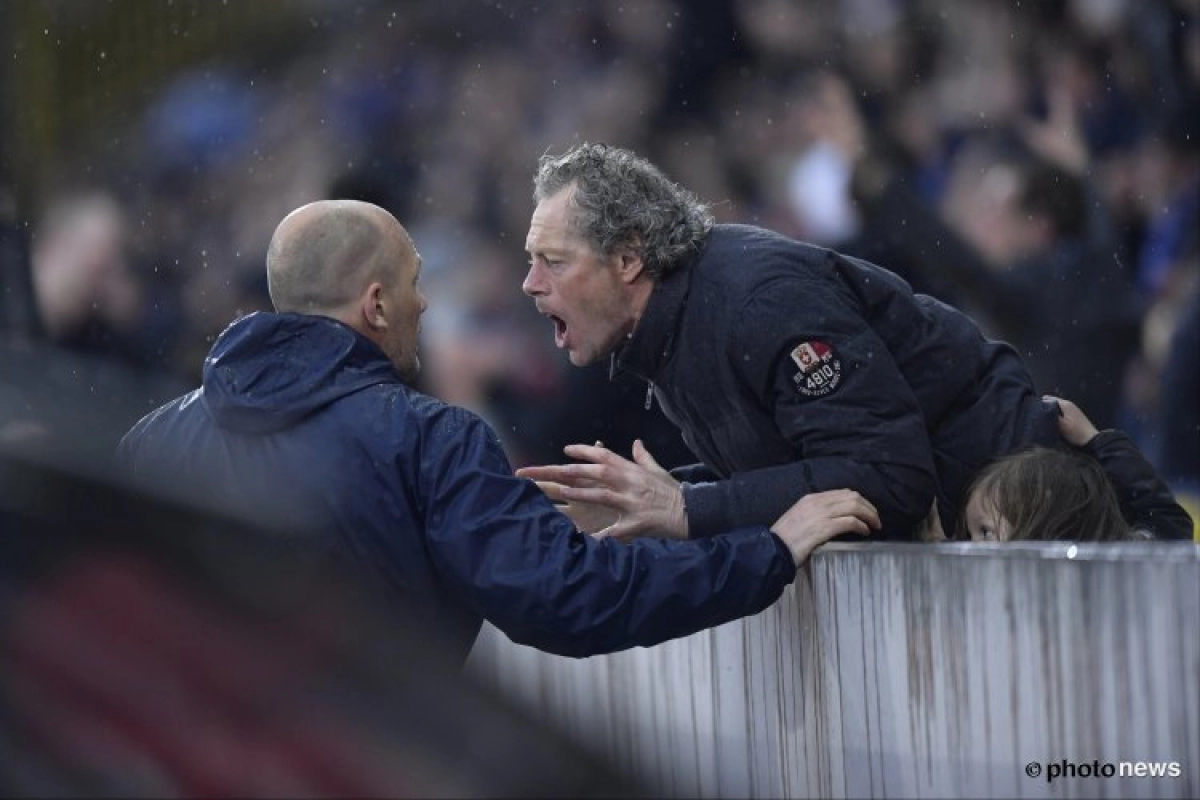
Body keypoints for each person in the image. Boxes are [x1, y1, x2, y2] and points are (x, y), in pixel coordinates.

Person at [115, 199, 881, 664]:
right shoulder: (427, 439)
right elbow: (567, 597)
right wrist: (768, 551)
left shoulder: (148, 443)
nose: (426, 307)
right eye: (418, 284)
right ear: (376, 305)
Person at [516, 143, 1063, 542]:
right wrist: (635, 505)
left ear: (629, 259)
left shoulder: (757, 303)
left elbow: (889, 476)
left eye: (555, 262)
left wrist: (688, 507)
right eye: (531, 261)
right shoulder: (673, 324)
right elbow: (792, 466)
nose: (531, 283)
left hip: (1037, 507)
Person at [960, 397, 1194, 542]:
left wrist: (1096, 441)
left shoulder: (1122, 580)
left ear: (1046, 530)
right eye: (970, 536)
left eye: (985, 532)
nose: (968, 550)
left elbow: (1168, 531)